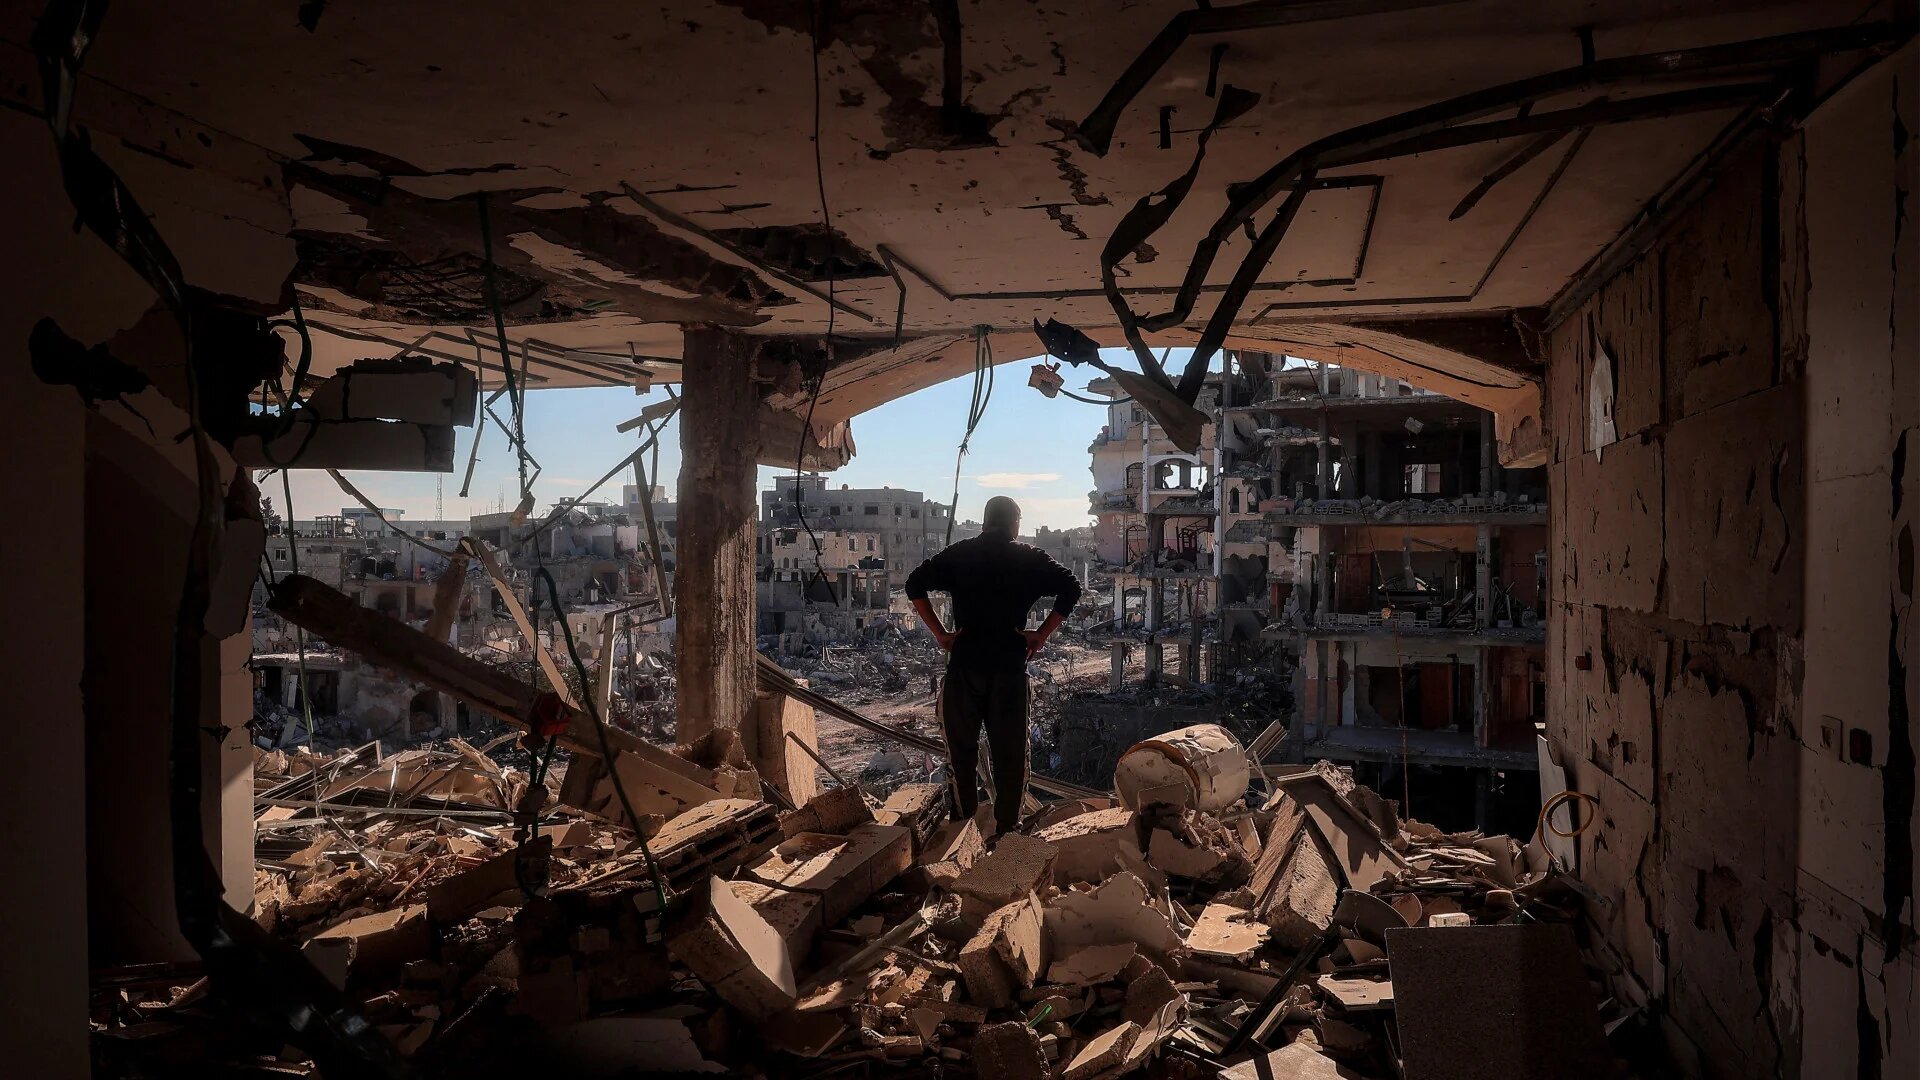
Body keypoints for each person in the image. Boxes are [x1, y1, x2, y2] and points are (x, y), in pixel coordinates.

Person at [906, 496, 1082, 835]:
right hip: (1009, 673)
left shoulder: (961, 554)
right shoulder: (1028, 559)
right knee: (1010, 757)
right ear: (1015, 522)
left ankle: (962, 834)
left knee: (961, 756)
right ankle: (1007, 834)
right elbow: (1071, 587)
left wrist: (942, 635)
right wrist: (1041, 634)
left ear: (985, 521)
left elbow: (914, 583)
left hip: (965, 670)